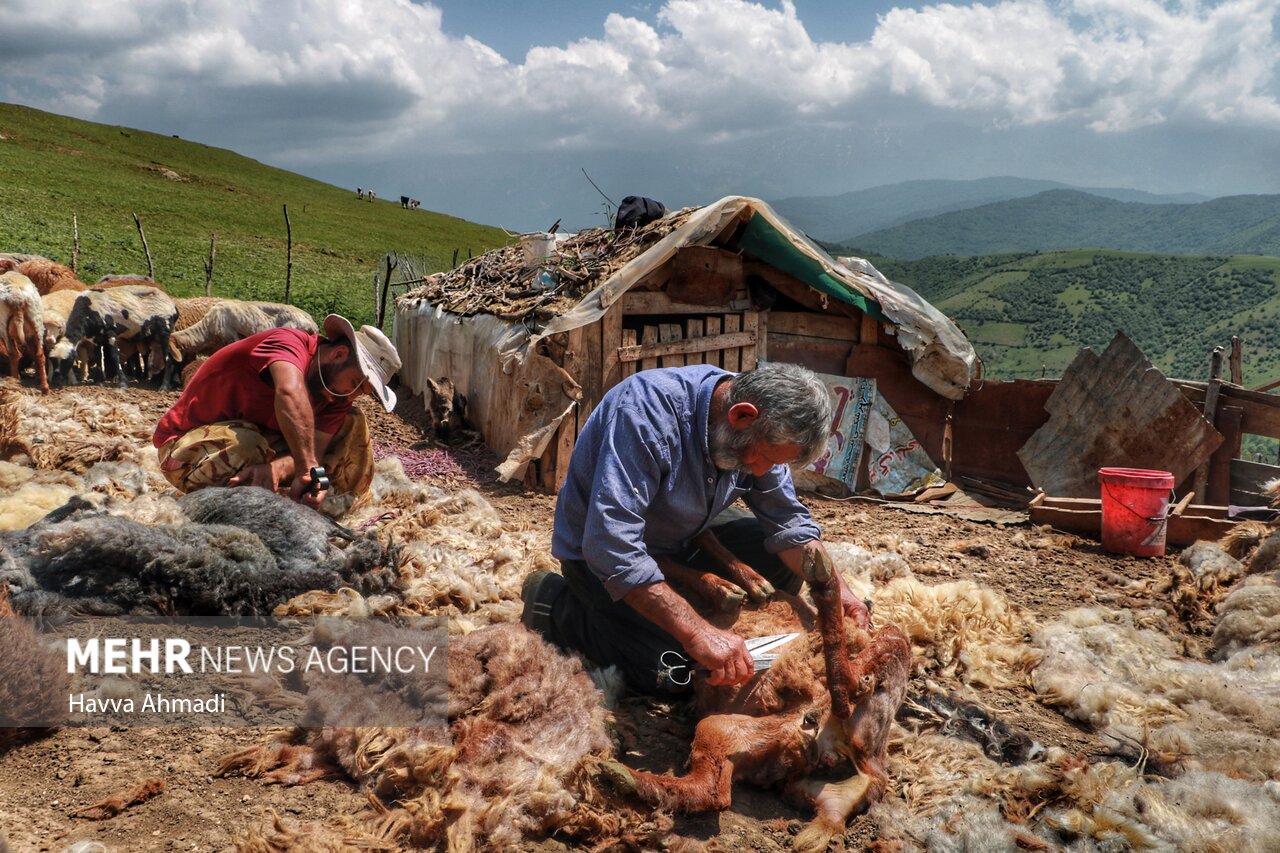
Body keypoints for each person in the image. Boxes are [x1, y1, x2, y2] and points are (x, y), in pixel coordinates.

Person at [521, 361, 870, 696]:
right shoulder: (646, 413)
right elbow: (612, 547)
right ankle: (556, 606)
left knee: (780, 561)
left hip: (684, 538)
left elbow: (788, 521)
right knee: (675, 671)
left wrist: (838, 591)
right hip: (600, 555)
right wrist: (697, 633)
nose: (763, 471)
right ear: (741, 416)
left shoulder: (762, 428)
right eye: (763, 458)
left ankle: (678, 610)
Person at [152, 314, 401, 508]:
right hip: (187, 447)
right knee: (247, 445)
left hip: (263, 446)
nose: (353, 395)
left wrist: (278, 469)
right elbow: (289, 392)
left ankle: (339, 506)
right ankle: (219, 509)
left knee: (353, 423)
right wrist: (307, 469)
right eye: (355, 383)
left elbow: (313, 452)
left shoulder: (336, 396)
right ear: (339, 354)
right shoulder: (287, 343)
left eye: (363, 391)